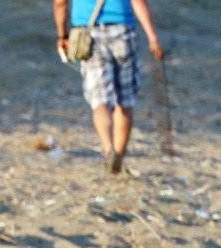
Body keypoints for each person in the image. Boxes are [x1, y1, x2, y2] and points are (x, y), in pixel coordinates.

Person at [54, 0, 164, 174]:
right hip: (123, 31)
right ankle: (119, 156)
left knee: (100, 100)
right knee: (125, 100)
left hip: (88, 33)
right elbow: (138, 2)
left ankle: (108, 150)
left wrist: (62, 35)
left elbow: (60, 3)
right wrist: (153, 38)